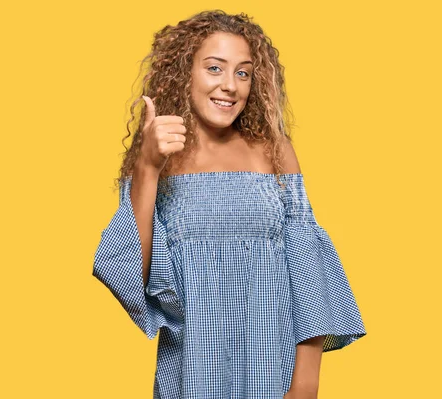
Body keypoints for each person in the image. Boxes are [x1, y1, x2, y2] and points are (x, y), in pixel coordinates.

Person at [92, 9, 366, 399]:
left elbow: (308, 264)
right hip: (190, 368)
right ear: (185, 72)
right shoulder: (158, 157)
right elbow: (130, 273)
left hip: (272, 365)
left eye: (243, 72)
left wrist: (306, 378)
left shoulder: (274, 150)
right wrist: (148, 167)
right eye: (215, 68)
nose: (230, 86)